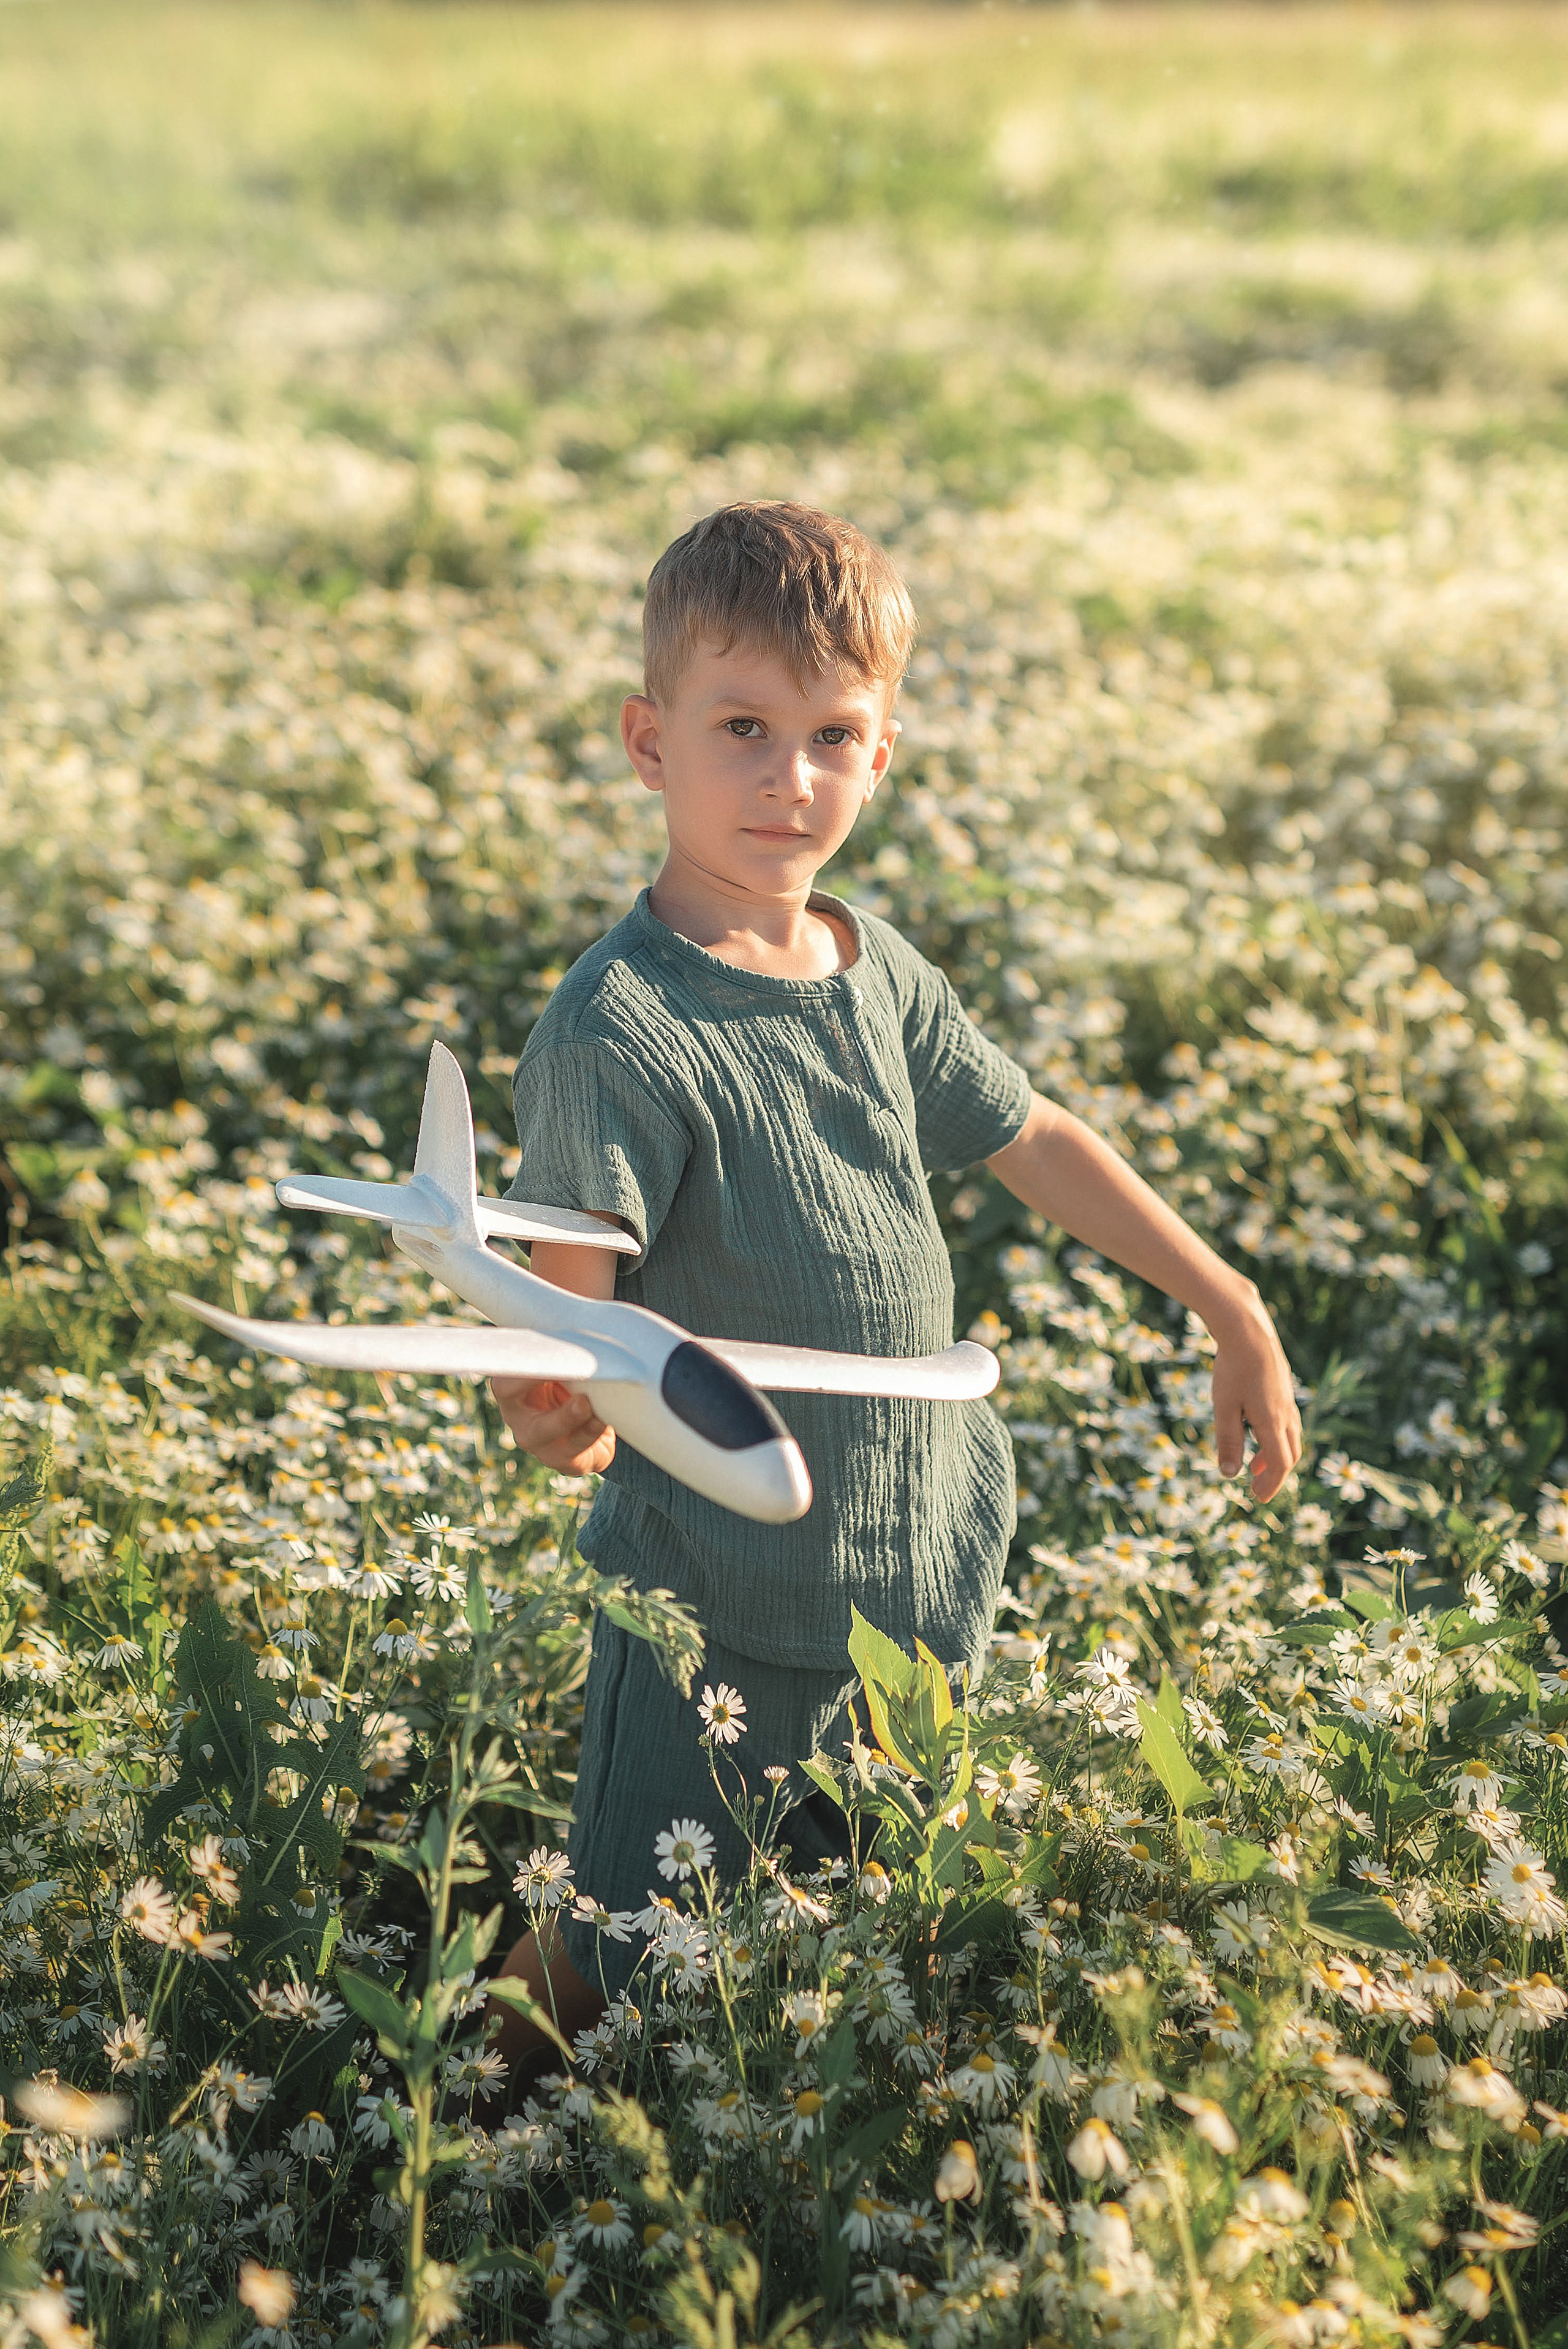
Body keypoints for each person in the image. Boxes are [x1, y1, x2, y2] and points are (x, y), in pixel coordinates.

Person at [485, 500, 1300, 2062]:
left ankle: (768, 2143)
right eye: (742, 728)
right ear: (649, 744)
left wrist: (1229, 1303)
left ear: (882, 754)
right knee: (617, 1928)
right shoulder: (617, 1029)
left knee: (866, 1904)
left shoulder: (871, 968)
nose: (789, 779)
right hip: (710, 1599)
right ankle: (431, 2136)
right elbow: (570, 1305)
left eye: (831, 734)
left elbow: (1033, 1133)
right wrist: (564, 1415)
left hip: (909, 1563)